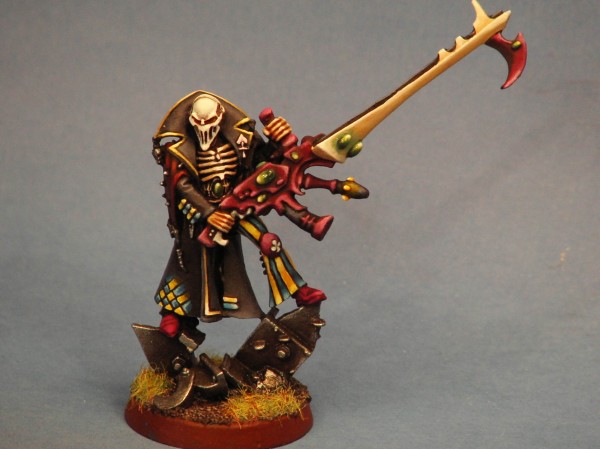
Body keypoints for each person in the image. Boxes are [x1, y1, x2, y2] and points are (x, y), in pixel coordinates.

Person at [152, 91, 326, 338]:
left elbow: (261, 164)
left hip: (238, 205)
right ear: (190, 120)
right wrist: (208, 212)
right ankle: (173, 314)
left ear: (220, 117)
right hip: (200, 212)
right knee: (187, 260)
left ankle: (298, 290)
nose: (204, 127)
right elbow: (182, 185)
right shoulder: (178, 150)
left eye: (209, 121)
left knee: (270, 243)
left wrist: (276, 141)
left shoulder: (241, 139)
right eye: (198, 121)